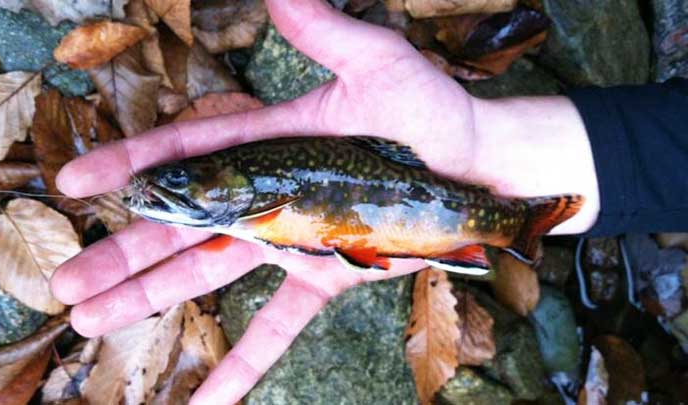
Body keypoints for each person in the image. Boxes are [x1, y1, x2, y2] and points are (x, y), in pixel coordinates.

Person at [49, 0, 688, 403]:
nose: (167, 191)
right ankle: (515, 225)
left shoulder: (260, 206)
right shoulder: (255, 201)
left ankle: (518, 226)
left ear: (233, 182)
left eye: (184, 183)